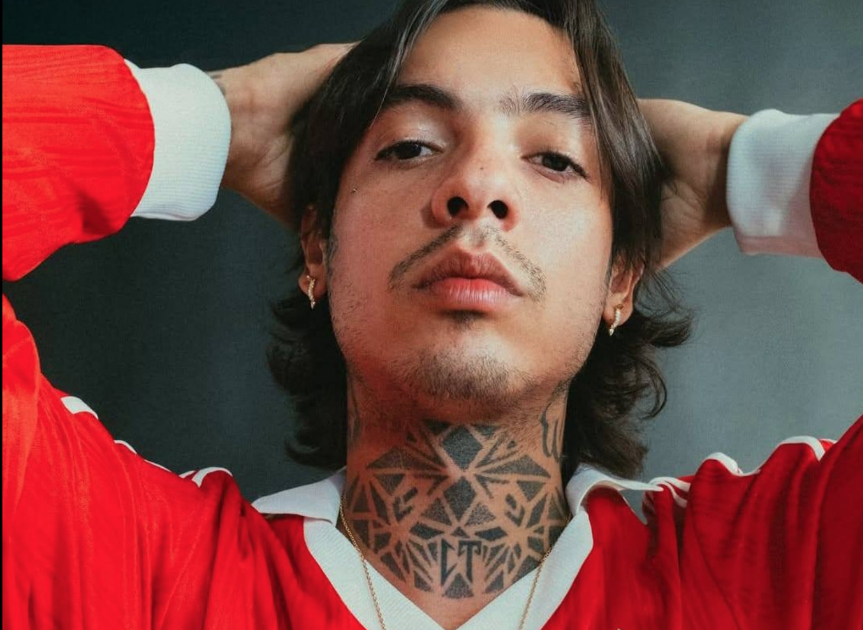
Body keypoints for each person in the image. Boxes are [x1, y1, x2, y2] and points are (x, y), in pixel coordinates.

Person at [3, 0, 860, 629]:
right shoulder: (133, 571)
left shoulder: (778, 573)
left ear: (620, 278)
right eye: (410, 144)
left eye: (553, 160)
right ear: (318, 248)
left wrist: (749, 165)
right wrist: (215, 119)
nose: (477, 187)